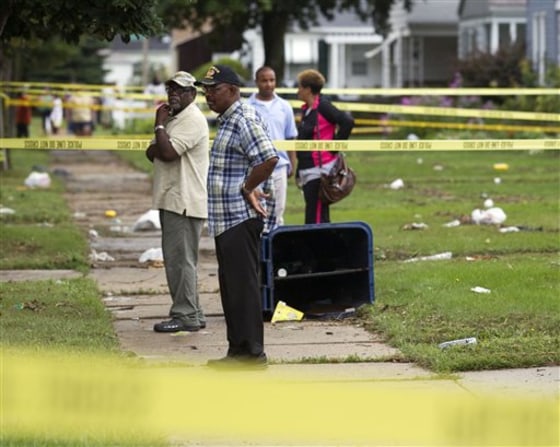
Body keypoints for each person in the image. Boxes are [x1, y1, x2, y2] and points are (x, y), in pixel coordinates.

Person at [195, 64, 279, 369]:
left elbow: (269, 158)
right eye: (205, 90)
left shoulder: (243, 119)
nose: (208, 95)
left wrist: (248, 187)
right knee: (232, 289)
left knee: (243, 288)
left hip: (239, 218)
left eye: (213, 90)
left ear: (232, 90)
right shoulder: (228, 120)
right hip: (225, 218)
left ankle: (253, 354)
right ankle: (237, 351)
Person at [145, 71, 210, 333]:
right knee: (179, 259)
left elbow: (168, 153)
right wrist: (162, 132)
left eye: (180, 90)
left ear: (192, 94)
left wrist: (159, 126)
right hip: (173, 197)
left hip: (183, 200)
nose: (173, 94)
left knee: (179, 261)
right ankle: (193, 311)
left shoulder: (191, 119)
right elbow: (152, 152)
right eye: (170, 89)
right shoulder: (174, 118)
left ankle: (186, 316)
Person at [293, 69, 354, 224]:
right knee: (312, 215)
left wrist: (334, 146)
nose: (297, 90)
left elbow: (347, 121)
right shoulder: (306, 110)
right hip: (307, 169)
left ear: (308, 89)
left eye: (299, 87)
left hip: (320, 171)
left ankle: (320, 247)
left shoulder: (323, 107)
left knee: (317, 218)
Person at [247, 66, 298, 227]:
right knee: (255, 212)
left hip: (279, 167)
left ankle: (275, 250)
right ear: (256, 82)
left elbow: (290, 136)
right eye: (264, 80)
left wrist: (292, 164)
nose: (268, 84)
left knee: (278, 213)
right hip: (255, 168)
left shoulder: (284, 107)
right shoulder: (247, 106)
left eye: (272, 80)